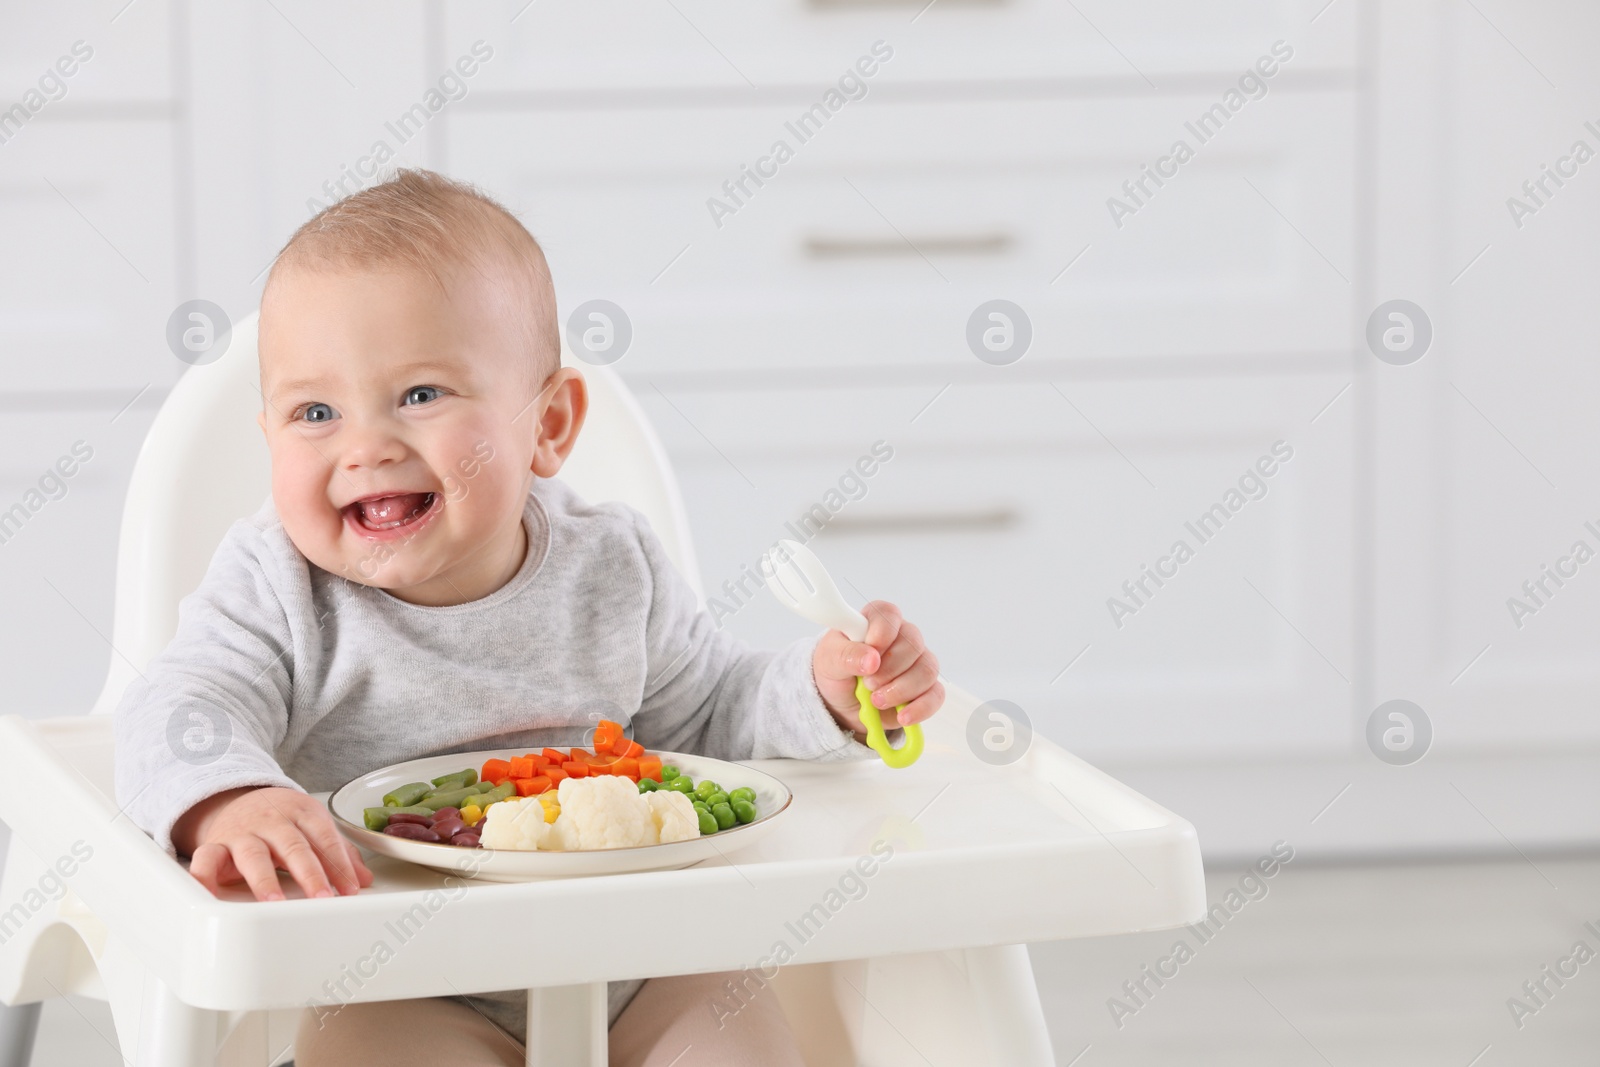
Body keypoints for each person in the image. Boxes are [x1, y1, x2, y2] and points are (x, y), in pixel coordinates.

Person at [113, 168, 945, 1066]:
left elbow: (709, 711)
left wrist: (822, 689)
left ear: (549, 423)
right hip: (397, 973)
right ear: (269, 435)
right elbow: (180, 706)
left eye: (421, 395)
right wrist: (234, 799)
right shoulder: (277, 586)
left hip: (641, 958)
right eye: (316, 411)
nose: (365, 445)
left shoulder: (611, 566)